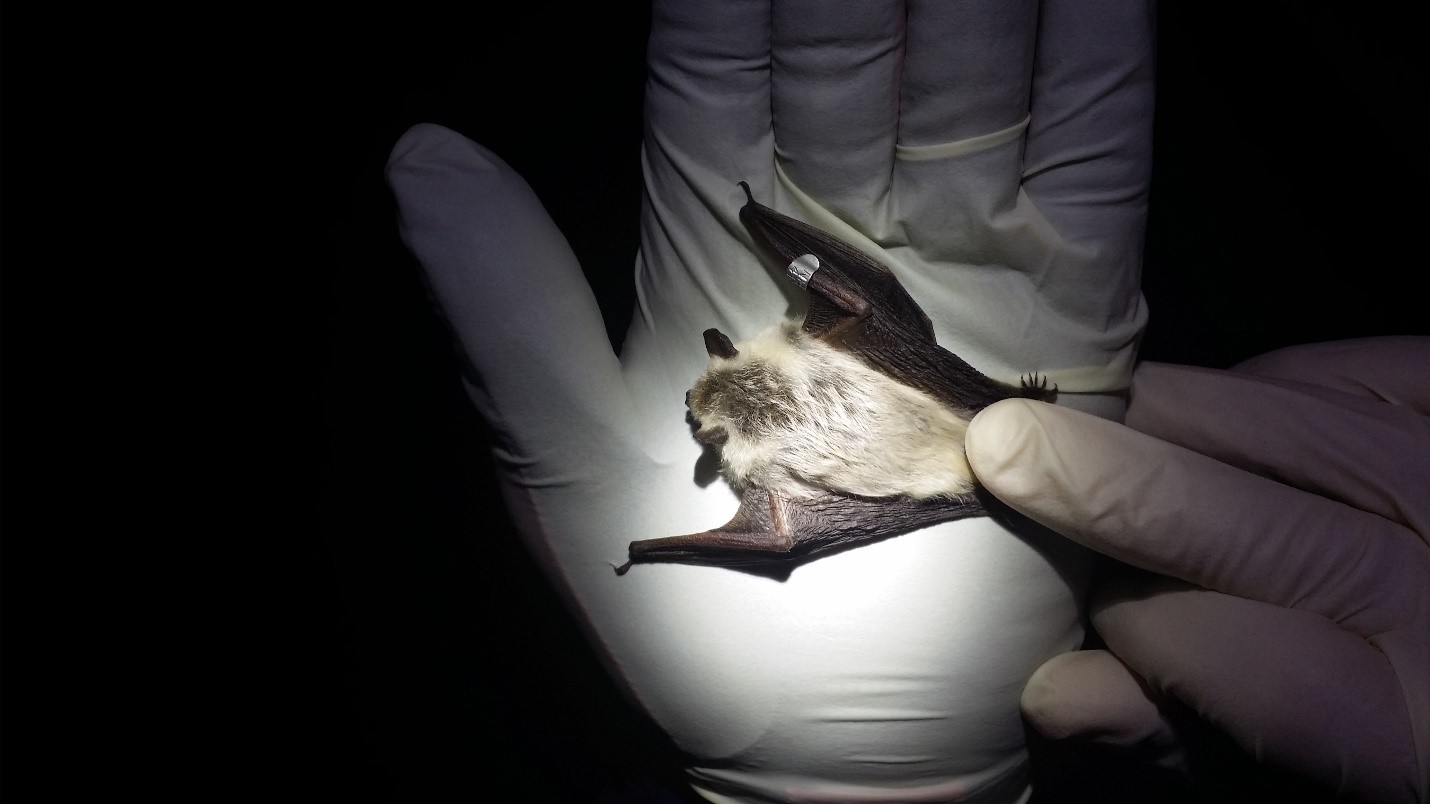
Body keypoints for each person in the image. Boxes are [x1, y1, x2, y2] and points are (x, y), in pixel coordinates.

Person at [385, 1, 1428, 800]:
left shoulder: (760, 464)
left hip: (929, 460)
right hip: (939, 446)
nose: (697, 430)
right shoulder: (789, 422)